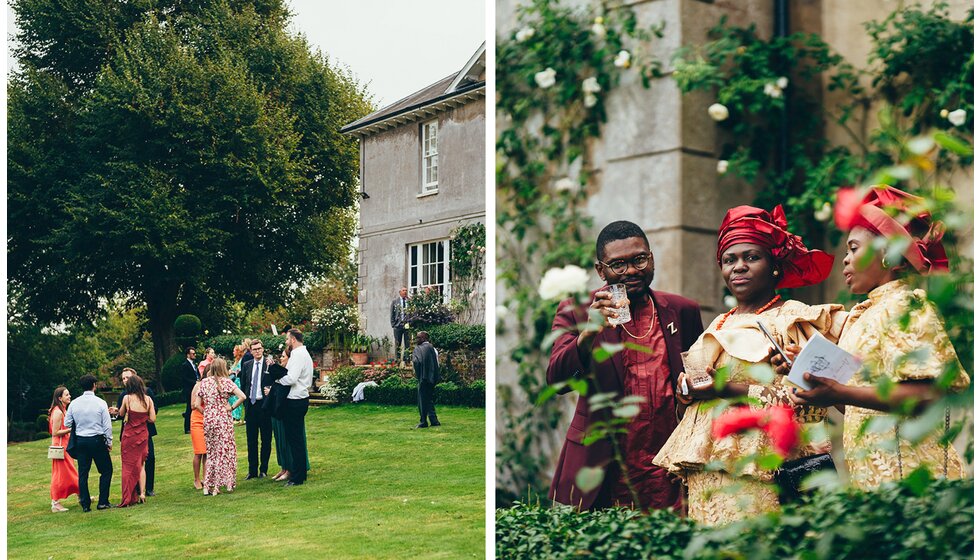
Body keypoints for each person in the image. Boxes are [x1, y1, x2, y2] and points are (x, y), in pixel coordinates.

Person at [652, 205, 844, 525]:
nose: (738, 267)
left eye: (751, 257)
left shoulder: (794, 319)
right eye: (730, 260)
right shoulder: (718, 324)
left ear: (773, 266)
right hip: (709, 467)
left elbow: (811, 402)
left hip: (766, 468)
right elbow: (695, 402)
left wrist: (726, 388)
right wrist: (687, 391)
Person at [780, 186, 970, 489]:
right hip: (874, 483)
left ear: (888, 256)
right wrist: (812, 376)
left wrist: (839, 393)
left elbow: (927, 396)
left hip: (913, 478)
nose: (844, 260)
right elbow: (857, 407)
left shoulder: (907, 304)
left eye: (853, 249)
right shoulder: (865, 314)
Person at [547, 220, 704, 511]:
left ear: (651, 258)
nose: (631, 271)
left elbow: (698, 372)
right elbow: (557, 380)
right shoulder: (576, 310)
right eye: (618, 264)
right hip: (605, 464)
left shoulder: (683, 311)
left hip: (668, 465)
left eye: (639, 259)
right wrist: (588, 333)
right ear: (600, 270)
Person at [64, 374, 113, 512]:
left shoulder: (74, 403)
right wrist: (109, 441)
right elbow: (107, 426)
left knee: (83, 473)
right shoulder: (100, 402)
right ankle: (103, 501)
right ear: (94, 385)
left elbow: (67, 422)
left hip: (81, 441)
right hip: (97, 440)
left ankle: (85, 504)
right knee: (106, 470)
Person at [199, 358, 246, 495]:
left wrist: (208, 412)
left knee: (212, 452)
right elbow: (242, 396)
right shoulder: (226, 382)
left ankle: (208, 486)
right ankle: (224, 484)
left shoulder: (204, 383)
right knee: (224, 451)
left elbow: (197, 403)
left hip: (209, 419)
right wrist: (231, 407)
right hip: (222, 419)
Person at [110, 367, 157, 497]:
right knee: (134, 461)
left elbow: (154, 412)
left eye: (127, 378)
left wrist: (141, 419)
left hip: (145, 430)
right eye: (123, 378)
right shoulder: (124, 396)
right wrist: (116, 412)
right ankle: (136, 489)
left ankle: (149, 488)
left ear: (135, 378)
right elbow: (121, 414)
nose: (125, 380)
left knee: (149, 458)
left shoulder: (148, 393)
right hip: (131, 431)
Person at [277, 328, 313, 486]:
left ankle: (297, 477)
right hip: (299, 398)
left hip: (295, 400)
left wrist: (277, 379)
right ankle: (300, 473)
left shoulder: (298, 354)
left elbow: (291, 378)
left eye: (287, 339)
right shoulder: (303, 354)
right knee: (296, 438)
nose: (286, 342)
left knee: (295, 439)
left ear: (292, 339)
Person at [267, 349, 311, 481]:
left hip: (292, 405)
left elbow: (289, 381)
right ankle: (287, 469)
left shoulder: (295, 364)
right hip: (282, 408)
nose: (282, 359)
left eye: (284, 357)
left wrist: (274, 375)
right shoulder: (286, 369)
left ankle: (295, 472)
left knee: (294, 441)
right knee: (286, 441)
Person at [241, 339, 274, 479]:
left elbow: (275, 382)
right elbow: (244, 384)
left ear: (263, 349)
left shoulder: (269, 364)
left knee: (266, 439)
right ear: (251, 351)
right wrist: (246, 402)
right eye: (254, 349)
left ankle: (263, 469)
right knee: (251, 440)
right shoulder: (247, 365)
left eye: (259, 348)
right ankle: (252, 470)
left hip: (264, 406)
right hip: (251, 406)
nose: (257, 351)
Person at [48, 386, 79, 512]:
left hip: (65, 445)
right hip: (60, 446)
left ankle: (81, 494)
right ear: (60, 398)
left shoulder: (62, 410)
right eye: (67, 395)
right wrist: (71, 429)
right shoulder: (58, 412)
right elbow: (55, 432)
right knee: (60, 474)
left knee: (70, 471)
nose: (69, 396)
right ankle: (55, 502)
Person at [412, 331, 441, 428]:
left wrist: (418, 374)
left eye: (418, 337)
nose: (417, 340)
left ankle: (423, 421)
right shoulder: (433, 349)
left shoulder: (418, 349)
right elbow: (437, 363)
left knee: (422, 400)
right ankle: (434, 420)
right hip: (432, 378)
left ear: (424, 338)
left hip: (423, 378)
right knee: (429, 399)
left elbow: (416, 362)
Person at [189, 371, 208, 490]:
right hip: (197, 419)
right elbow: (192, 405)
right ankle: (196, 479)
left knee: (207, 451)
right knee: (199, 451)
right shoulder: (198, 385)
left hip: (209, 420)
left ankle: (206, 478)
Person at [181, 347, 198, 434]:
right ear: (188, 355)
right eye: (193, 354)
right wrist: (195, 382)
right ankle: (187, 428)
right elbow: (184, 378)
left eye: (195, 353)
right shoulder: (185, 365)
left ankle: (193, 425)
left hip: (195, 388)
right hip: (189, 389)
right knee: (189, 408)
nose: (194, 355)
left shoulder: (194, 364)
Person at [391, 287, 410, 361]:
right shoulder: (395, 302)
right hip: (398, 325)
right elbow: (392, 314)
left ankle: (407, 359)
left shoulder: (409, 301)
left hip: (407, 325)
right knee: (398, 343)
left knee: (407, 343)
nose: (405, 292)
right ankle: (397, 359)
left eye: (406, 290)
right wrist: (393, 324)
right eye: (403, 290)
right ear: (400, 292)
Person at [229, 345, 245, 423]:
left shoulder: (241, 361)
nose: (233, 352)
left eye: (234, 350)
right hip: (233, 381)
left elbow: (239, 371)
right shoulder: (236, 361)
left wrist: (233, 372)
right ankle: (233, 416)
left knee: (237, 398)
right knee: (232, 398)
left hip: (238, 381)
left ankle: (237, 417)